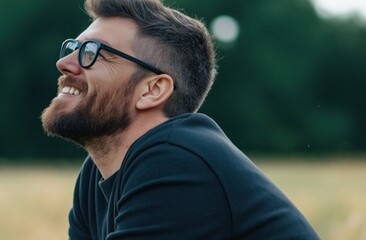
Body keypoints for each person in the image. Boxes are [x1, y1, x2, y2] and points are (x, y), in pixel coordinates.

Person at [40, 0, 319, 239]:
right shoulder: (95, 174)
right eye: (73, 47)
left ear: (152, 90)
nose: (64, 63)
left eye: (91, 52)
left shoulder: (175, 161)